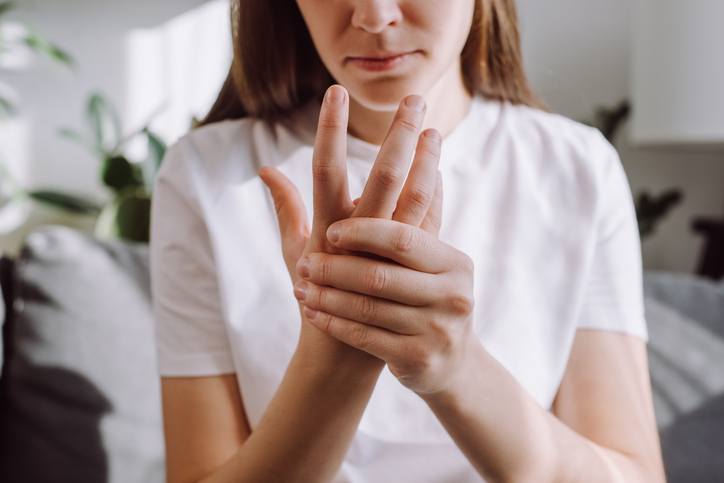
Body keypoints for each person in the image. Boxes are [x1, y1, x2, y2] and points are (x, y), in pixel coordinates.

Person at [150, 0, 667, 482]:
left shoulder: (578, 170)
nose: (374, 17)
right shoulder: (204, 174)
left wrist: (456, 367)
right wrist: (334, 361)